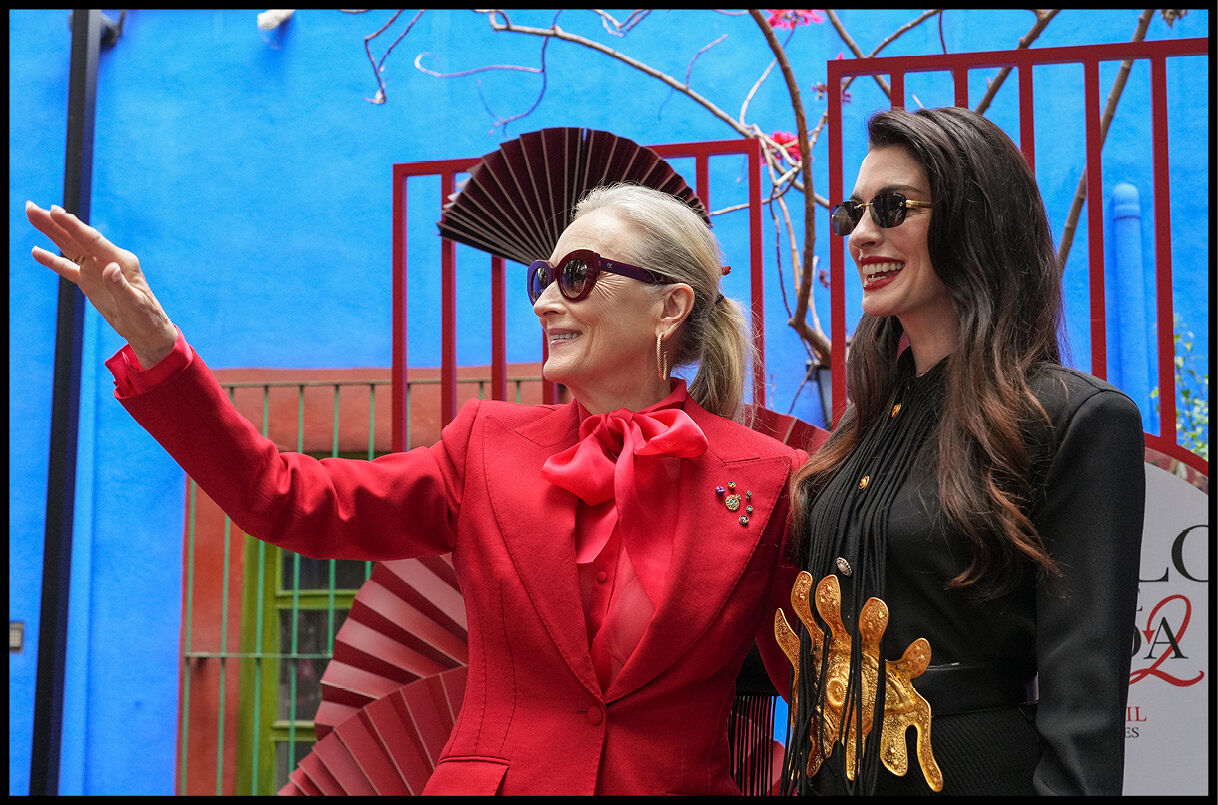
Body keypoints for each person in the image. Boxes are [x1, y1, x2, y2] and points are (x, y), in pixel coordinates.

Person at [26, 183, 807, 796]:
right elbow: (284, 495)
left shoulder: (769, 481)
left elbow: (820, 693)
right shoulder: (486, 446)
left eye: (577, 275)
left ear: (670, 306)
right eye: (544, 276)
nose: (543, 301)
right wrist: (159, 347)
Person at [772, 107, 1145, 796]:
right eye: (853, 210)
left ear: (975, 217)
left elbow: (1084, 720)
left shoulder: (1073, 419)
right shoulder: (864, 422)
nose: (860, 234)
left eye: (892, 207)